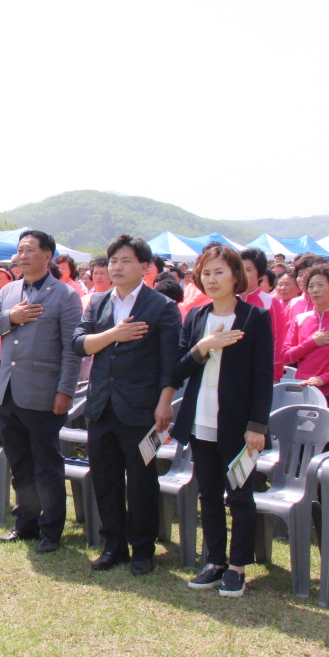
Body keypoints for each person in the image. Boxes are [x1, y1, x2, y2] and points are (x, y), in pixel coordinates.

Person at [72, 234, 181, 576]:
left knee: (142, 480)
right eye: (113, 260)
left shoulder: (161, 306)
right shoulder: (99, 302)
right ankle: (113, 545)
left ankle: (143, 549)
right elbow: (79, 344)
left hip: (142, 408)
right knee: (104, 478)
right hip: (101, 406)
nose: (116, 267)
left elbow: (170, 363)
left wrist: (165, 403)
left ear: (145, 267)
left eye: (126, 260)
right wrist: (112, 336)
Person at [173, 244, 273, 597]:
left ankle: (237, 567)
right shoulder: (197, 317)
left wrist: (257, 425)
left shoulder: (254, 318)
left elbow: (263, 377)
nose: (211, 279)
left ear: (236, 275)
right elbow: (179, 367)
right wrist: (205, 346)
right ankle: (214, 562)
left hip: (239, 426)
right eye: (206, 272)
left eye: (219, 271)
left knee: (240, 497)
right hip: (201, 421)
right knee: (209, 495)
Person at [0, 230, 82, 552]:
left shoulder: (65, 295)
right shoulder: (9, 290)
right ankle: (25, 524)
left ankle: (51, 530)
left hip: (43, 391)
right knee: (20, 463)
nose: (22, 256)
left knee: (46, 464)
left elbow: (72, 348)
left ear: (48, 255)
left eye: (29, 250)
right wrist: (11, 317)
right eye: (19, 250)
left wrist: (65, 390)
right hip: (8, 391)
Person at [283, 265, 329, 413]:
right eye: (311, 286)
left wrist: (325, 378)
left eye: (321, 285)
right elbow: (285, 357)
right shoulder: (300, 319)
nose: (315, 290)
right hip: (302, 389)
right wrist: (312, 342)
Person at [240, 248, 286, 381]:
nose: (242, 274)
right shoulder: (228, 300)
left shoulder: (271, 302)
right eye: (239, 269)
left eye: (248, 270)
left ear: (260, 275)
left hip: (259, 372)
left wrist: (275, 375)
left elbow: (277, 341)